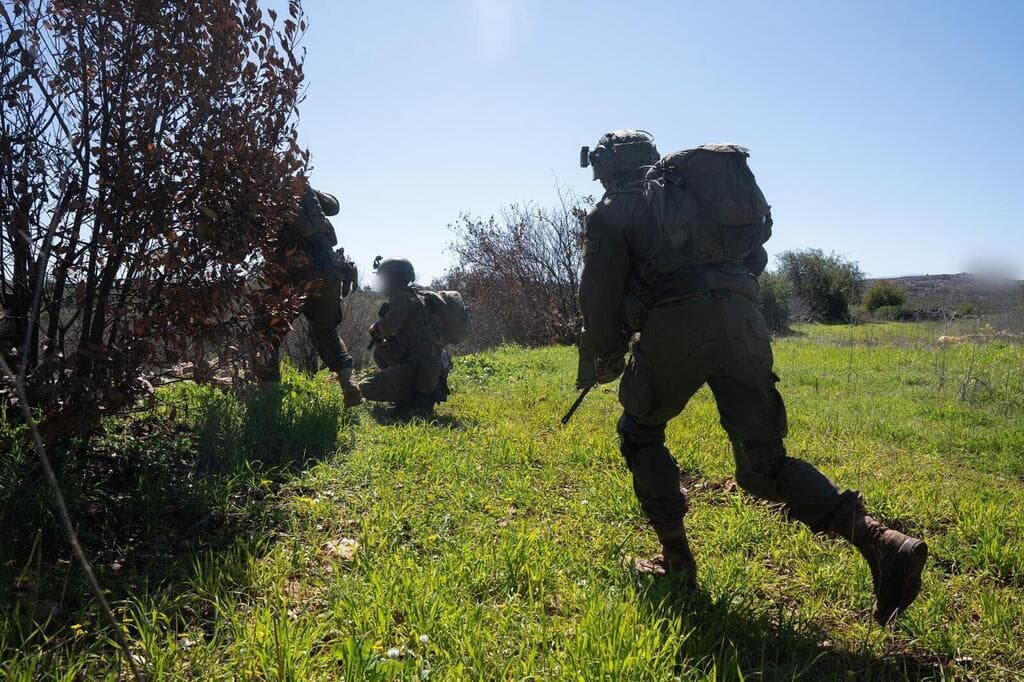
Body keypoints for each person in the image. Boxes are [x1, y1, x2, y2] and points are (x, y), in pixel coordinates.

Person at [576, 129, 927, 624]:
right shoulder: (695, 198)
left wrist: (607, 353)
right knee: (764, 461)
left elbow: (598, 295)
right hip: (744, 320)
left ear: (607, 166)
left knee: (640, 432)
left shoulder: (613, 209)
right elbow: (755, 258)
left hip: (678, 324)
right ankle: (881, 542)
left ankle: (676, 561)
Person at [253, 182, 363, 407]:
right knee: (325, 331)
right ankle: (348, 382)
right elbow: (334, 208)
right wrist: (311, 191)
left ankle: (268, 398)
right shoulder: (308, 199)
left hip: (296, 271)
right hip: (331, 270)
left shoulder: (269, 196)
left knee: (266, 332)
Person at [359, 258, 451, 415]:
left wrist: (374, 328)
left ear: (392, 278)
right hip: (435, 362)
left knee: (364, 387)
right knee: (382, 352)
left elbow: (387, 329)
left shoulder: (401, 297)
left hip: (419, 363)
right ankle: (417, 394)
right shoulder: (418, 295)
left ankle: (411, 399)